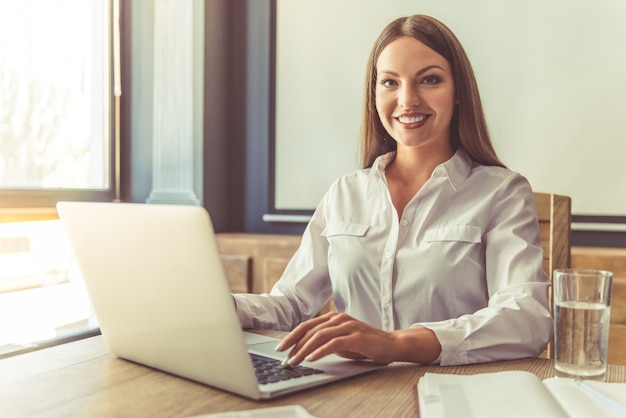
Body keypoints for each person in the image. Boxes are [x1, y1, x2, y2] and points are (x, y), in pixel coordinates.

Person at [232, 14, 552, 367]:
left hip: (456, 393)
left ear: (458, 91)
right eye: (390, 82)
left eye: (429, 80)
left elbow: (527, 319)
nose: (407, 99)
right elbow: (291, 304)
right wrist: (220, 307)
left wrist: (396, 344)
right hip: (353, 392)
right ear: (374, 95)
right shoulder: (344, 194)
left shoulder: (502, 193)